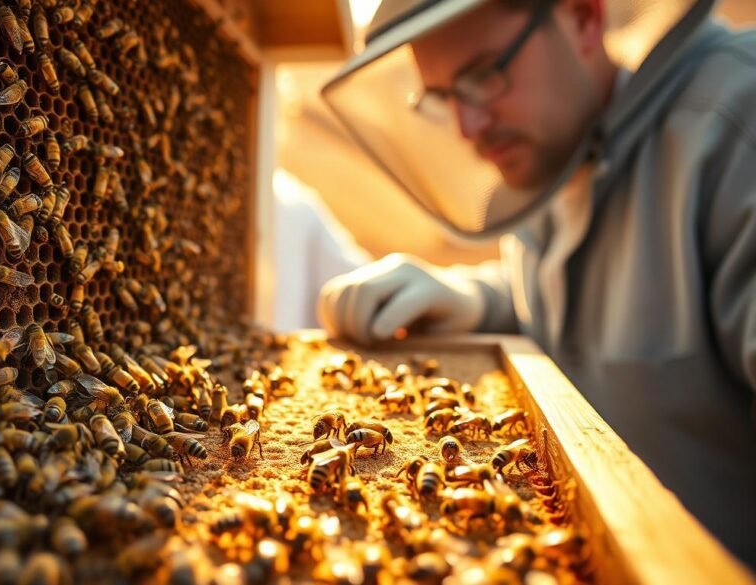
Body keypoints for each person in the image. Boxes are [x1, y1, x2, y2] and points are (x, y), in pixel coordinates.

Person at [318, 0, 756, 565]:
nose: (466, 128)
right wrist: (477, 301)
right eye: (443, 97)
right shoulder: (548, 160)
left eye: (483, 74)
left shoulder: (736, 126)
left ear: (583, 17)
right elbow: (578, 307)